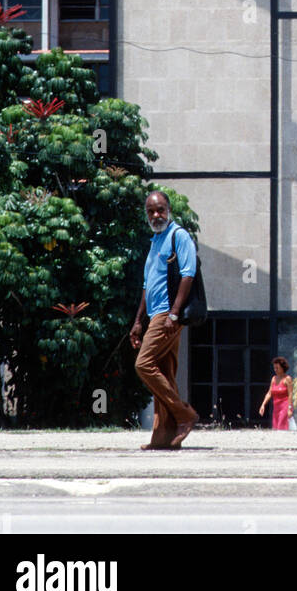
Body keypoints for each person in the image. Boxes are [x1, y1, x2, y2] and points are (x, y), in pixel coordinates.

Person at [129, 190, 199, 451]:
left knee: (143, 364)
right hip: (153, 314)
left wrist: (173, 313)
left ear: (168, 210)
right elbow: (147, 285)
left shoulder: (178, 236)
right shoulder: (155, 241)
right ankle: (164, 438)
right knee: (166, 374)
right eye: (151, 211)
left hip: (167, 315)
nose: (156, 215)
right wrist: (137, 321)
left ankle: (184, 415)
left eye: (160, 209)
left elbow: (188, 274)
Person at [260, 356, 294, 430]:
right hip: (276, 407)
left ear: (283, 368)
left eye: (277, 368)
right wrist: (263, 405)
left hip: (285, 406)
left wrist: (290, 409)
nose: (275, 370)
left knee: (281, 426)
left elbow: (290, 394)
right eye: (274, 368)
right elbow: (269, 393)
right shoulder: (274, 379)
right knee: (275, 428)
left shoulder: (287, 379)